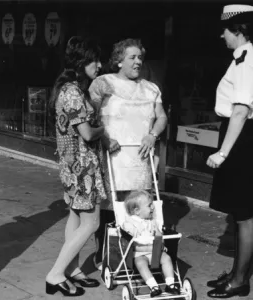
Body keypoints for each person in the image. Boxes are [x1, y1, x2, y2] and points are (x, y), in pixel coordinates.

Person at [89, 38, 168, 269]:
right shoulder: (103, 83)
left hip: (140, 159)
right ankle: (105, 255)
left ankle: (138, 255)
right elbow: (90, 117)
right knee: (110, 208)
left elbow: (161, 116)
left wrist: (152, 134)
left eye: (140, 57)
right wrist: (104, 138)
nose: (138, 62)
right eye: (132, 57)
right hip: (112, 156)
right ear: (118, 61)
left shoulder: (151, 88)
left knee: (138, 207)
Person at [46, 36, 106, 297]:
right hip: (82, 168)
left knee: (75, 216)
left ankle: (72, 269)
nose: (100, 65)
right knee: (91, 223)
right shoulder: (72, 92)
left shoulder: (67, 88)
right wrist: (108, 127)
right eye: (94, 60)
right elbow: (88, 134)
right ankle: (56, 274)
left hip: (72, 166)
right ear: (82, 62)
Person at [206, 4, 253, 299]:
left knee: (244, 214)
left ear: (237, 30)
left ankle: (238, 281)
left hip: (241, 137)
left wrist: (222, 153)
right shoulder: (241, 58)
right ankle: (240, 272)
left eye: (224, 30)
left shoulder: (247, 60)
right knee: (242, 212)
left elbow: (240, 111)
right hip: (241, 136)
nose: (222, 36)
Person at [122, 190, 180, 297]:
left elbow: (158, 235)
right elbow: (130, 241)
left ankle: (170, 284)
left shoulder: (152, 221)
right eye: (149, 205)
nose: (153, 207)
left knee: (166, 258)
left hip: (154, 251)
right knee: (140, 263)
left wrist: (160, 241)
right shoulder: (130, 223)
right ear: (137, 211)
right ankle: (154, 286)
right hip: (140, 253)